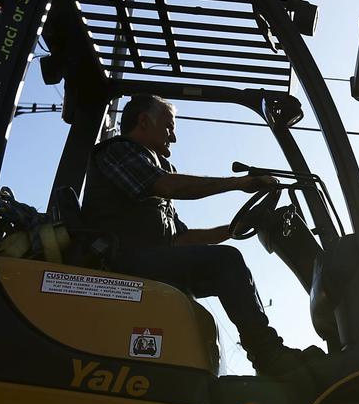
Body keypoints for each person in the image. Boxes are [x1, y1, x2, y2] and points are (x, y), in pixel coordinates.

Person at [82, 94, 320, 377]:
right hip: (120, 262)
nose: (174, 136)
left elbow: (181, 240)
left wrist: (234, 229)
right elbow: (168, 186)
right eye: (169, 126)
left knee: (225, 264)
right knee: (225, 262)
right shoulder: (119, 152)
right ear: (144, 122)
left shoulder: (151, 171)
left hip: (145, 259)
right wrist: (239, 183)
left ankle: (266, 351)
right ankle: (268, 354)